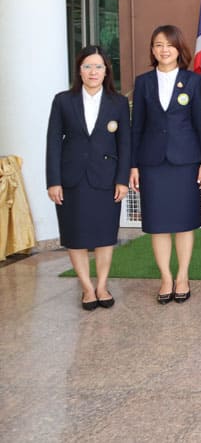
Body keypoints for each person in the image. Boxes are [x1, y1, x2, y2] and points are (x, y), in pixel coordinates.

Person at [45, 45, 130, 310]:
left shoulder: (118, 102)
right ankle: (86, 288)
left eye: (98, 67)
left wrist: (122, 179)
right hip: (72, 179)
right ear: (79, 70)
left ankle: (102, 286)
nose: (93, 72)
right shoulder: (63, 100)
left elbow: (125, 144)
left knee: (105, 235)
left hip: (106, 179)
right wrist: (53, 181)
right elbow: (53, 142)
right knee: (75, 235)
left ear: (106, 71)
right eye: (87, 66)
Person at [129, 25, 201, 304]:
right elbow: (136, 127)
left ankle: (182, 276)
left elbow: (200, 124)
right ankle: (165, 278)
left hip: (185, 161)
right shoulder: (143, 82)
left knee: (184, 222)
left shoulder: (193, 81)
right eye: (158, 45)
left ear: (179, 49)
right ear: (152, 50)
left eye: (169, 45)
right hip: (152, 163)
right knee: (158, 223)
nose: (164, 50)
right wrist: (133, 165)